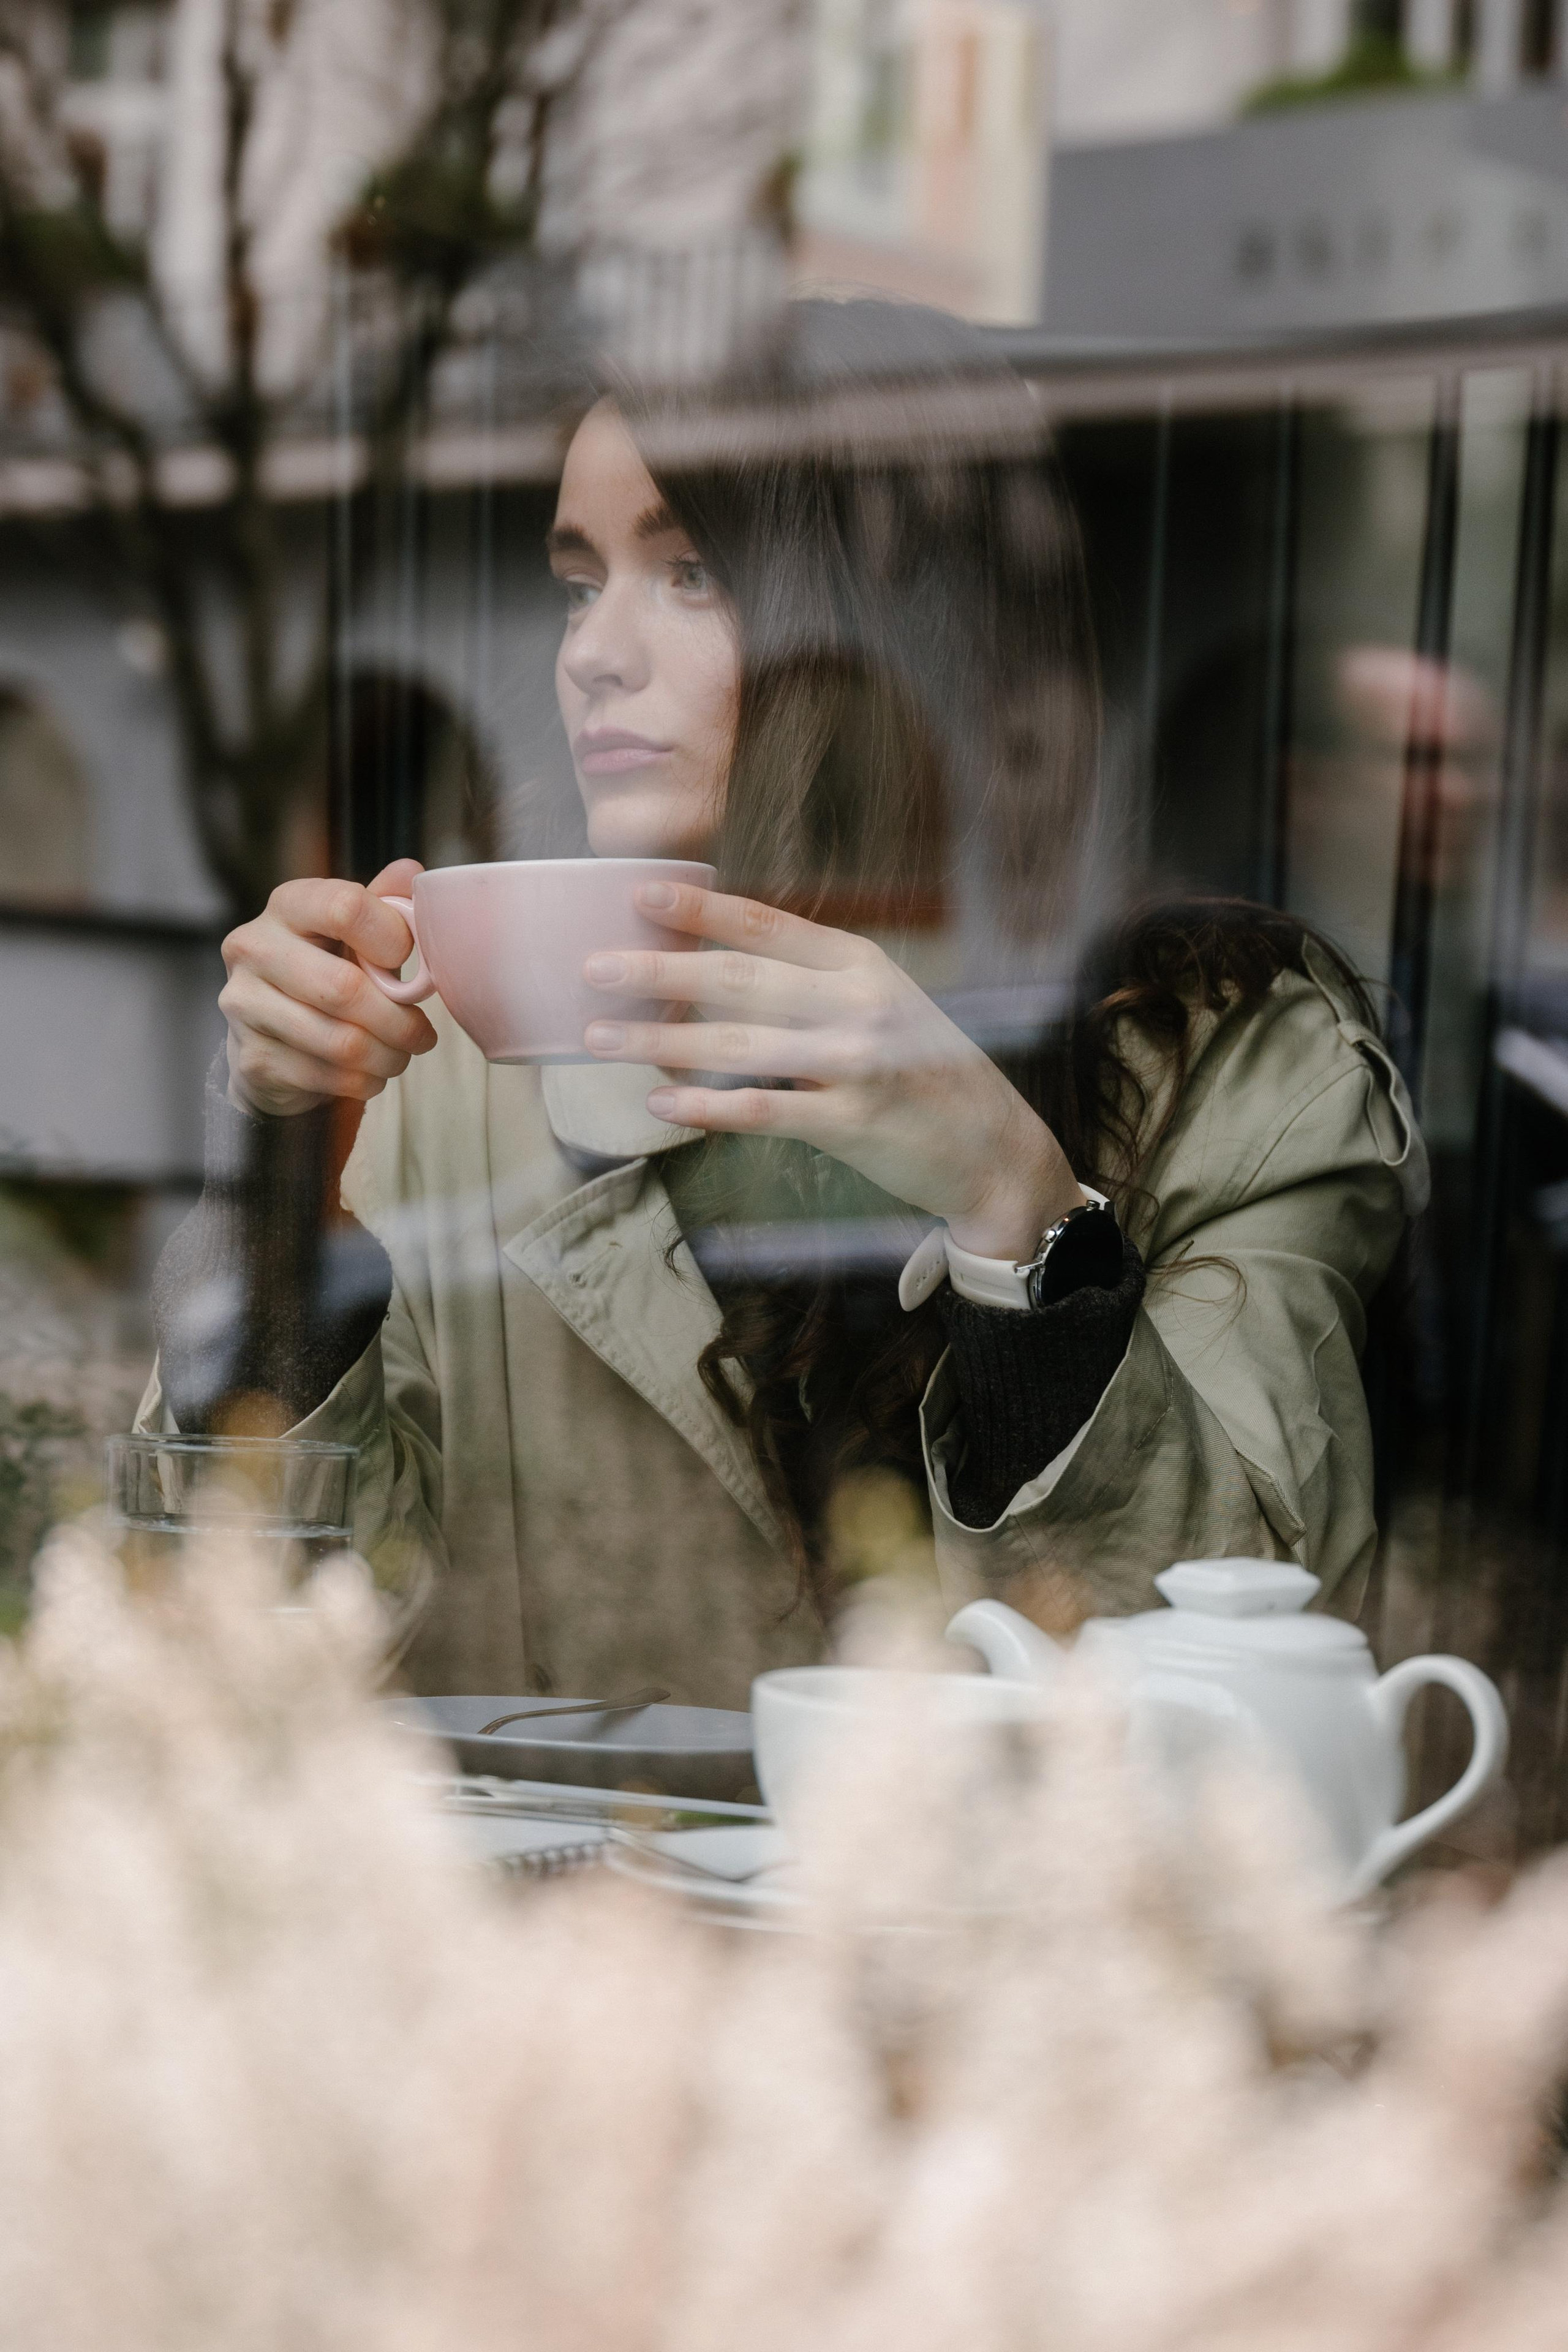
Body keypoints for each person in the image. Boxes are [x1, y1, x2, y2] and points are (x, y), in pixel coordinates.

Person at [140, 304, 1428, 1703]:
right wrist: (287, 1154)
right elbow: (235, 1632)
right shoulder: (451, 1041)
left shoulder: (1220, 1054)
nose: (592, 654)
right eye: (582, 583)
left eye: (688, 572)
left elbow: (1244, 1668)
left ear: (899, 625)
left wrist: (1015, 1205)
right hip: (564, 1911)